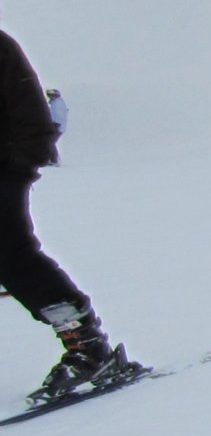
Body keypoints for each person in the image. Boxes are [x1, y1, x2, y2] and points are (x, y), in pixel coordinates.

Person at [2, 26, 136, 402]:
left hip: (5, 170)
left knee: (13, 257)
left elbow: (33, 116)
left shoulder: (0, 49)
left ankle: (89, 347)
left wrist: (18, 165)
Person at [44, 88, 66, 164]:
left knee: (49, 142)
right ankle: (53, 159)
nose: (50, 97)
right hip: (55, 125)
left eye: (52, 95)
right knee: (50, 142)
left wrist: (55, 124)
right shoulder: (54, 103)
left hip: (57, 126)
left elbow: (59, 115)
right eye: (49, 95)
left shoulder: (58, 104)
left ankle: (53, 160)